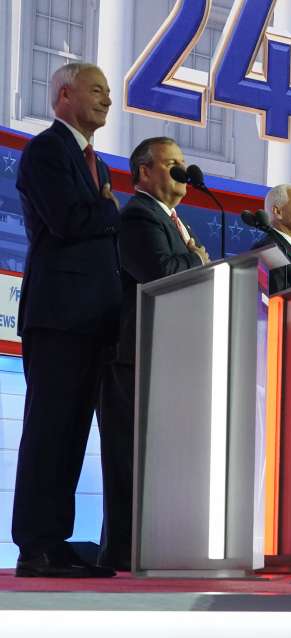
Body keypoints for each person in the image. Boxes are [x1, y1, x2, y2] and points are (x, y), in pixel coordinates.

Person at [12, 62, 124, 577]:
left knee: (72, 434)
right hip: (58, 315)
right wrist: (110, 211)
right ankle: (34, 544)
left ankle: (54, 541)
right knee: (48, 431)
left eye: (107, 92)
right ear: (63, 93)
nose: (106, 99)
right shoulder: (47, 150)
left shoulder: (95, 164)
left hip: (90, 318)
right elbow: (70, 220)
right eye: (96, 89)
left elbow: (92, 216)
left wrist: (102, 205)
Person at [110, 137, 209, 570]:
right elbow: (160, 273)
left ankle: (143, 548)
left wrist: (196, 260)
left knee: (152, 463)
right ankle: (124, 552)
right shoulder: (137, 215)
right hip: (133, 354)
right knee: (128, 461)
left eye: (183, 164)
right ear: (144, 172)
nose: (181, 172)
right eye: (172, 164)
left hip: (164, 355)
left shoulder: (171, 218)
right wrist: (197, 261)